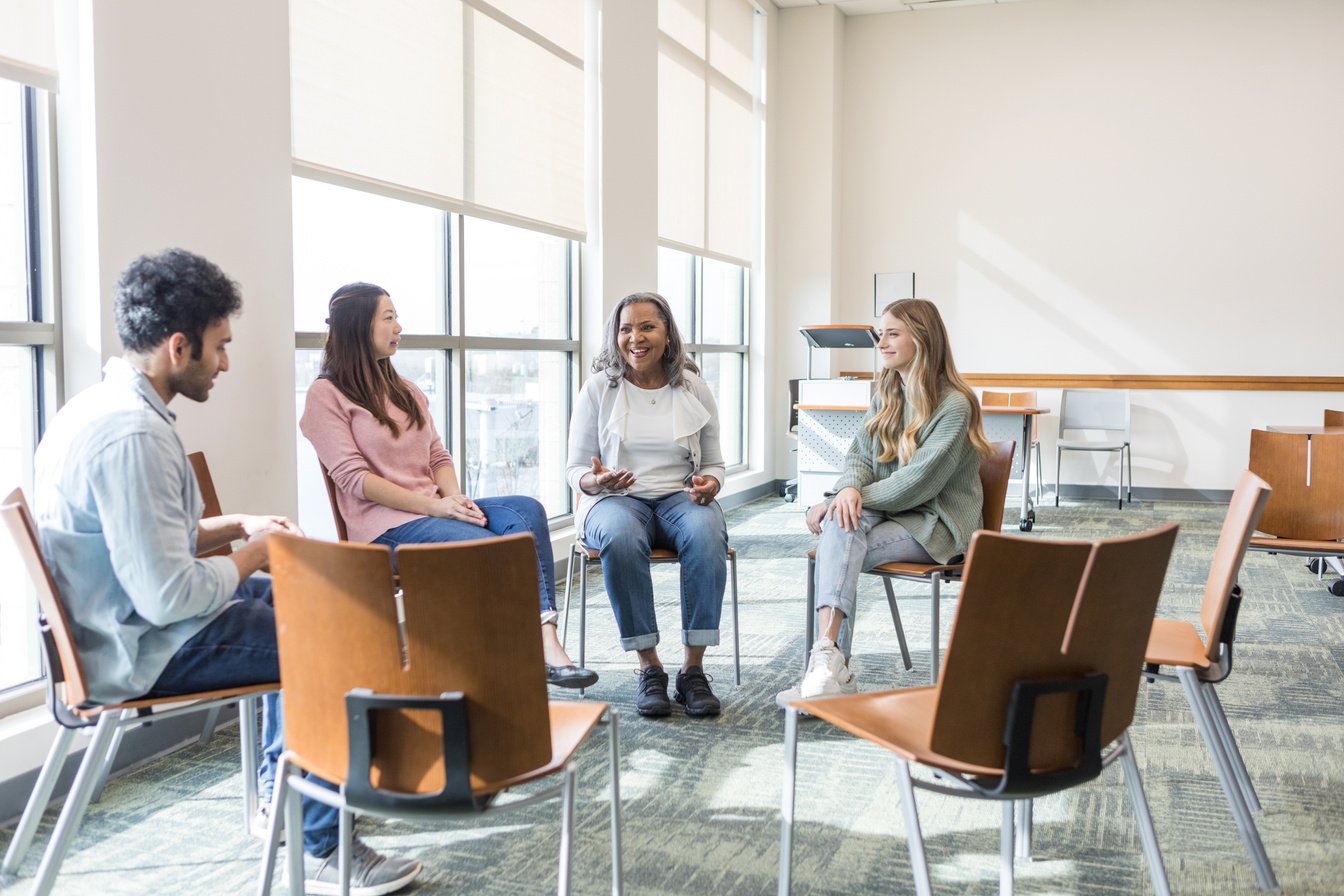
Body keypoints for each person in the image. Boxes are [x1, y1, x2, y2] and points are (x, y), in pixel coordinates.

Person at [32, 249, 421, 895]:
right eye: (220, 347)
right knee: (330, 639)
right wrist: (254, 554)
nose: (227, 363)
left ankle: (288, 796)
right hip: (140, 643)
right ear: (179, 346)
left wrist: (236, 524)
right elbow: (169, 595)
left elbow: (138, 539)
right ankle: (319, 842)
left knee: (316, 596)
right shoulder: (133, 435)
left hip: (118, 618)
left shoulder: (98, 407)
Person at [299, 282, 596, 689]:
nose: (399, 326)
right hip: (383, 531)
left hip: (434, 511)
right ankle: (517, 658)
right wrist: (436, 508)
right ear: (357, 327)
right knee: (495, 547)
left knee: (527, 510)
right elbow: (354, 480)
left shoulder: (405, 390)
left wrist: (452, 498)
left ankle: (544, 641)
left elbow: (437, 456)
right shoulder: (325, 395)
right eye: (388, 318)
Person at [778, 298, 992, 706]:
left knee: (839, 542)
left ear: (923, 338)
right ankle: (828, 662)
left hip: (936, 524)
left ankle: (826, 666)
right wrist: (846, 492)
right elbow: (860, 455)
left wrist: (850, 498)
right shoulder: (889, 390)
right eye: (881, 333)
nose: (882, 342)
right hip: (891, 514)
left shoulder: (955, 404)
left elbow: (918, 483)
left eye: (893, 333)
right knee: (844, 528)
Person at [565, 291, 728, 718]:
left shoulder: (692, 385)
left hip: (679, 496)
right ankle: (649, 666)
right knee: (619, 536)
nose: (635, 338)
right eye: (625, 329)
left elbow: (713, 464)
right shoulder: (600, 389)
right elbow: (574, 469)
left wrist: (710, 484)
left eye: (646, 327)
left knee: (707, 530)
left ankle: (692, 670)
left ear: (667, 334)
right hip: (616, 499)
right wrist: (594, 480)